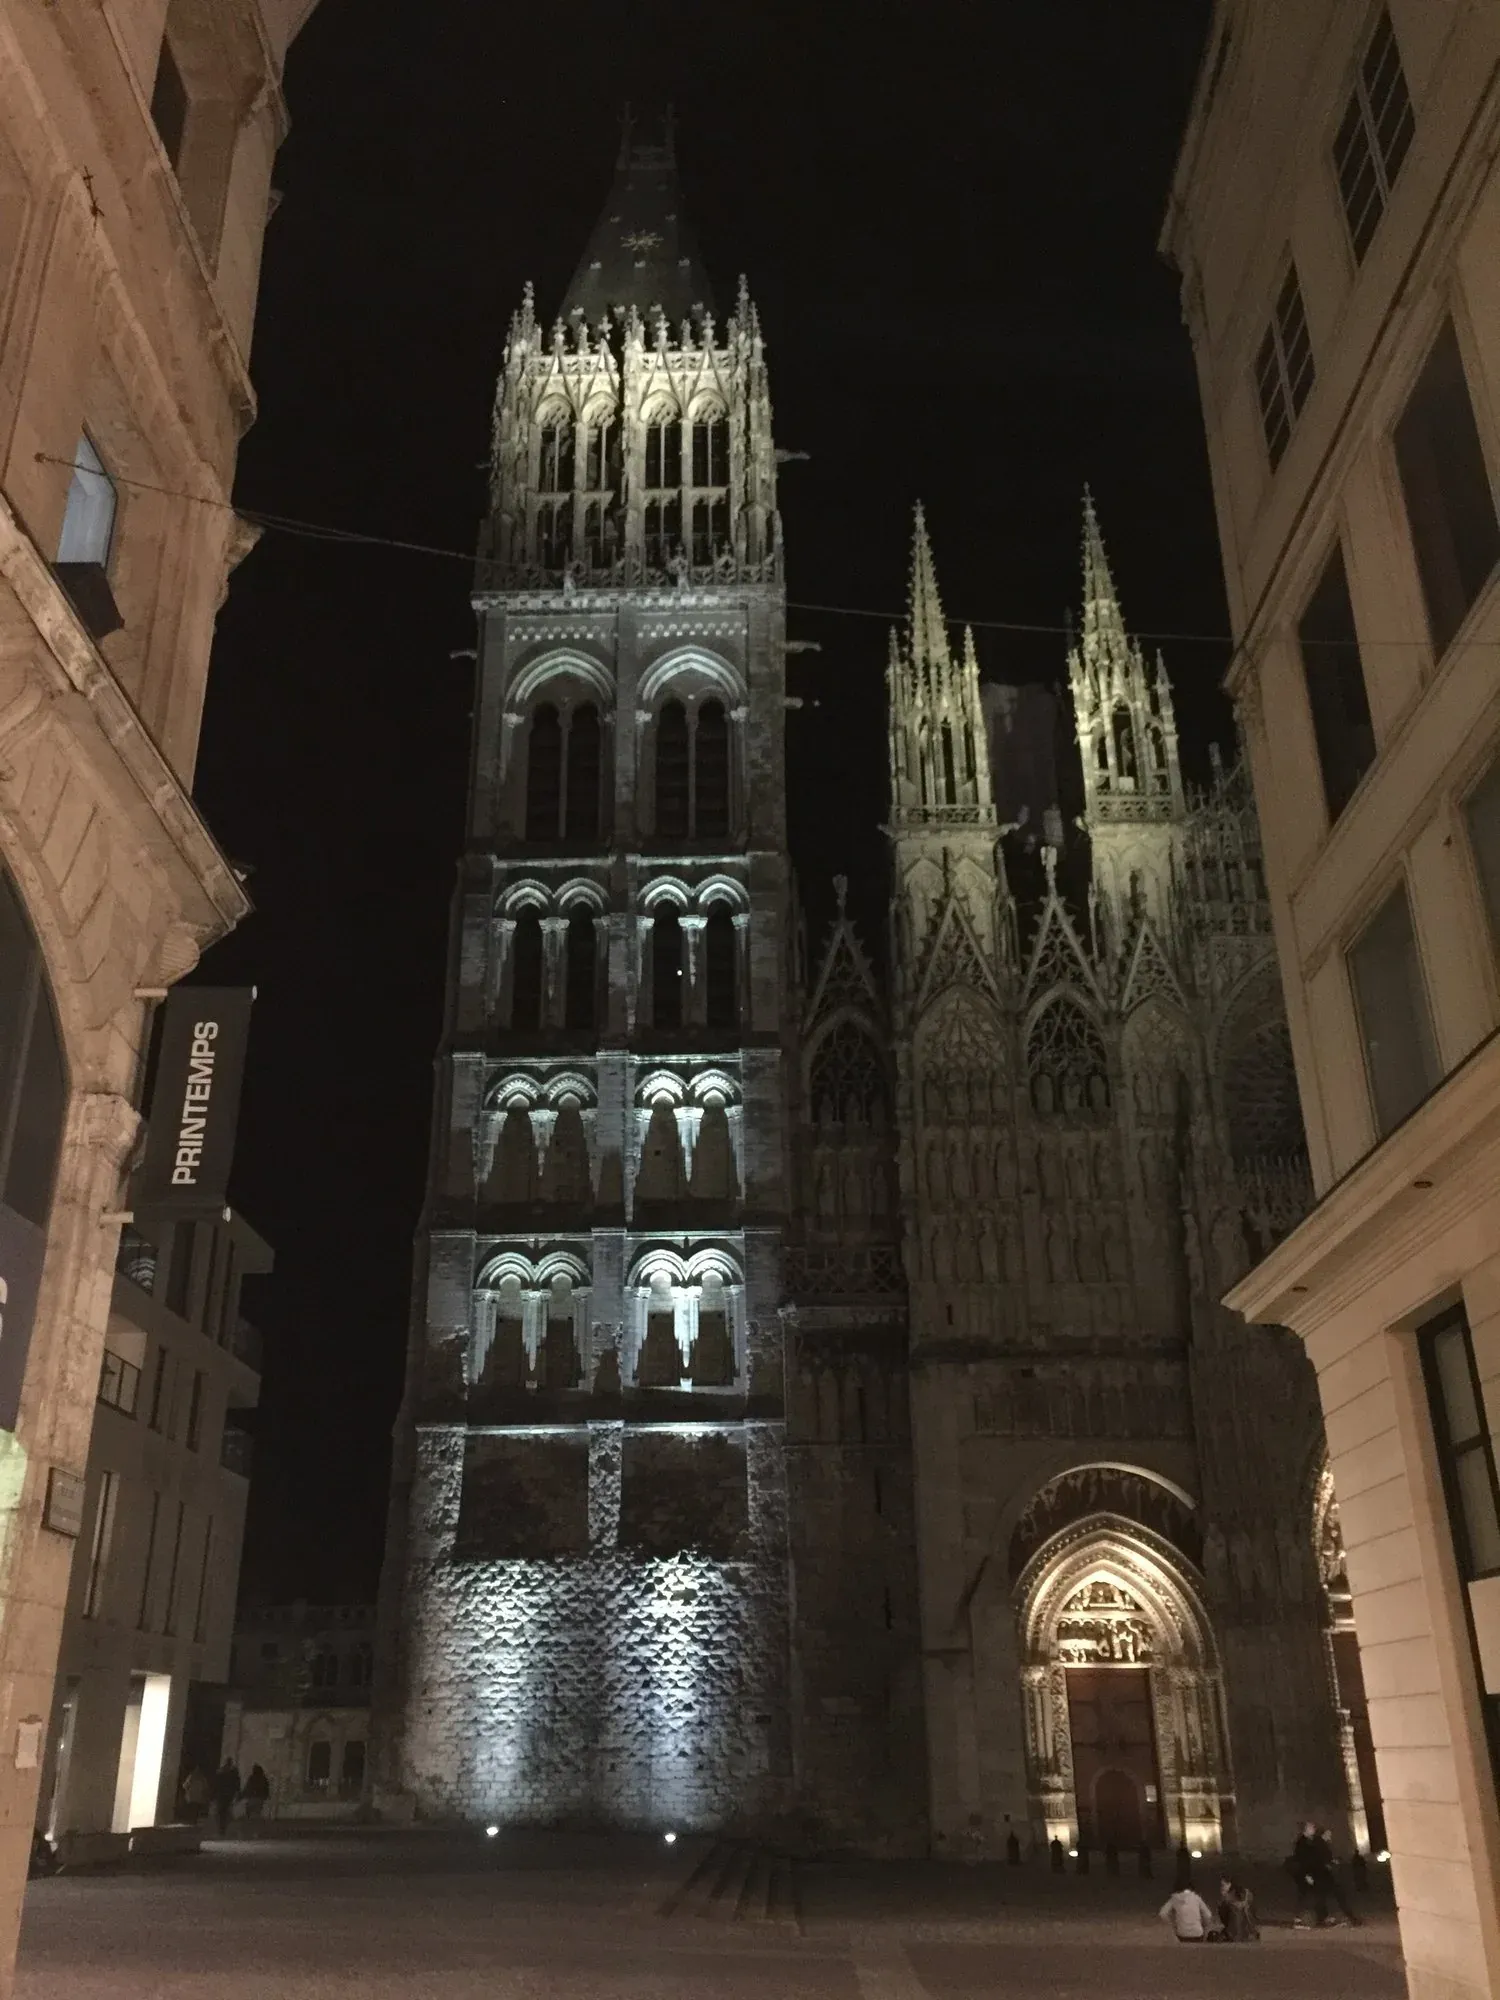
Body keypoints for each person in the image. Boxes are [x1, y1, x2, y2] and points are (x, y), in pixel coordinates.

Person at [1316, 1826, 1363, 1927]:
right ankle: (1350, 1918)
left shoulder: (1322, 1844)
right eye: (1328, 1834)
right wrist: (1330, 1863)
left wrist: (1333, 1861)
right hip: (1324, 1875)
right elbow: (1321, 1859)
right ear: (1324, 1834)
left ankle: (1322, 1919)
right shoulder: (1320, 1845)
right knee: (1336, 1896)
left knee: (1324, 1897)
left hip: (1325, 1875)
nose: (1330, 1836)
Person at [1287, 1821, 1326, 1928]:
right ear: (1306, 1829)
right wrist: (1306, 1875)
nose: (1313, 1829)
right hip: (1304, 1874)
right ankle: (1298, 1919)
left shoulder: (1311, 1841)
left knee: (1315, 1895)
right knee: (1304, 1895)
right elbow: (1301, 1860)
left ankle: (1319, 1917)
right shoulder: (1301, 1843)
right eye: (1311, 1827)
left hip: (1312, 1873)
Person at [1218, 1877, 1259, 1941]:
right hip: (1250, 1934)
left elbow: (1224, 1919)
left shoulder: (1226, 1900)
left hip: (1234, 1935)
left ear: (1230, 1884)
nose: (1221, 1888)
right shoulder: (1248, 1894)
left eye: (1223, 1885)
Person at [210, 1759, 241, 1837]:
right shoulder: (233, 1773)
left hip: (221, 1795)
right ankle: (224, 1829)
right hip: (229, 1795)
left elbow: (216, 1785)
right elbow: (237, 1785)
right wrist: (237, 1794)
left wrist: (212, 1795)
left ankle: (221, 1829)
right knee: (225, 1812)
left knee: (221, 1812)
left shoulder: (221, 1773)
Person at [242, 1764, 271, 1831]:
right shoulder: (263, 1778)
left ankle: (249, 1828)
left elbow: (247, 1788)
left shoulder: (252, 1778)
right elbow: (266, 1789)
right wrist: (266, 1796)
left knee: (249, 1813)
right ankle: (256, 1830)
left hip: (252, 1798)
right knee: (257, 1813)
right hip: (260, 1798)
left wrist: (243, 1795)